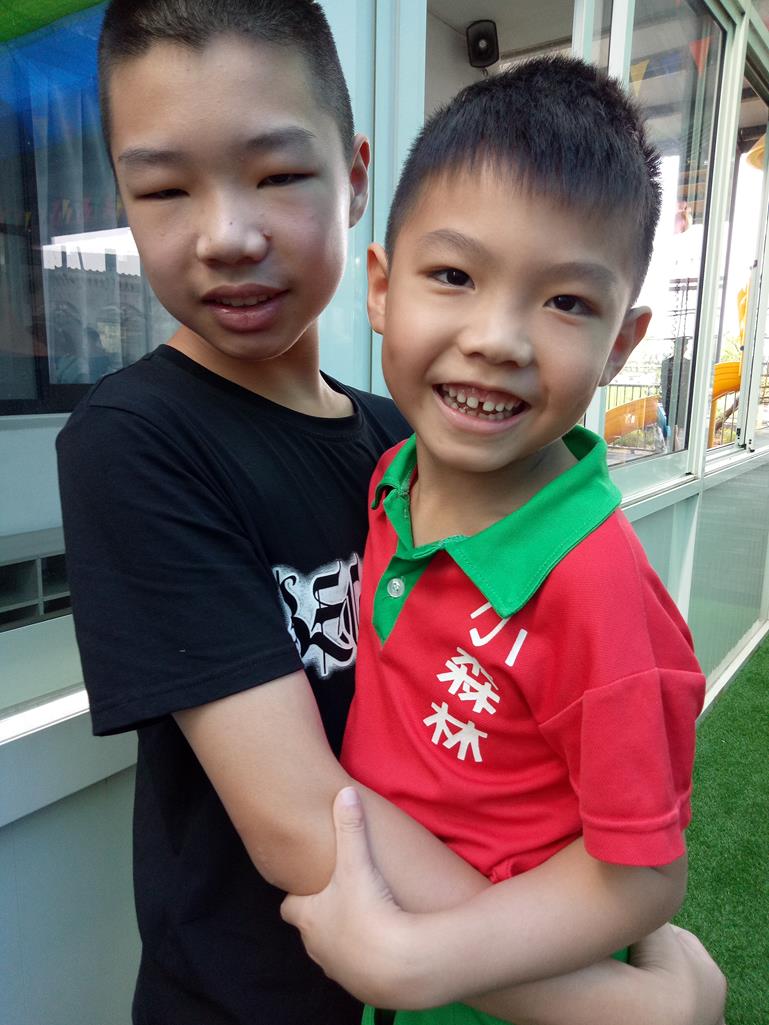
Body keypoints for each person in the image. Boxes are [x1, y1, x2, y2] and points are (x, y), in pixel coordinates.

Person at [54, 4, 725, 1023]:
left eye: (278, 174)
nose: (228, 234)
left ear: (354, 177)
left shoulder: (407, 455)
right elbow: (300, 819)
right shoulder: (138, 441)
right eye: (164, 187)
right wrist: (622, 1006)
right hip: (249, 998)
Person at [281, 57, 716, 1025]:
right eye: (454, 276)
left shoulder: (595, 588)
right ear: (381, 289)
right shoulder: (392, 481)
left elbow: (644, 874)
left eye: (566, 302)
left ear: (620, 342)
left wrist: (418, 960)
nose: (498, 339)